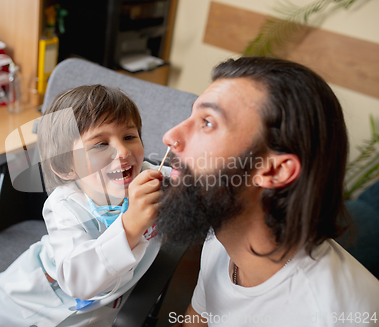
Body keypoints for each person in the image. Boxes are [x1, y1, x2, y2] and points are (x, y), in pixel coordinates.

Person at [157, 57, 379, 326]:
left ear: (274, 170)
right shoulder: (223, 237)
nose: (170, 136)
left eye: (208, 123)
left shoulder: (331, 316)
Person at [0, 85, 166, 327]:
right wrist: (130, 226)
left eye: (129, 137)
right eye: (100, 144)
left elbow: (191, 182)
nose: (122, 151)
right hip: (31, 296)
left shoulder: (152, 178)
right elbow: (78, 281)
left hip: (94, 312)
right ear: (66, 168)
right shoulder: (64, 206)